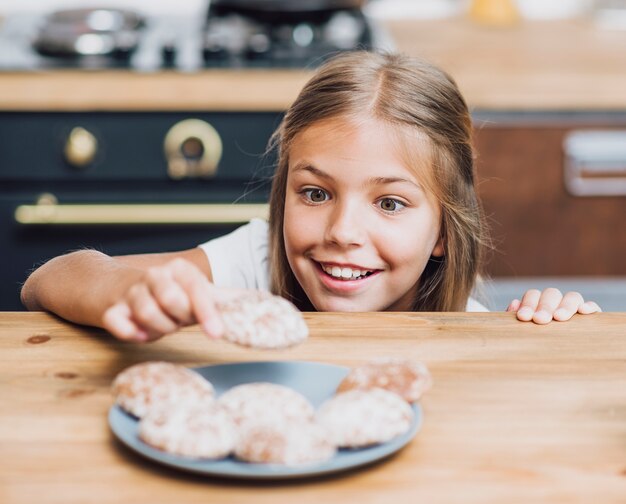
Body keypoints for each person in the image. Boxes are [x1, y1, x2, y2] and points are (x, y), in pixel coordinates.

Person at [20, 51, 600, 342]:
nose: (342, 232)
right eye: (316, 192)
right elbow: (46, 280)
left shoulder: (476, 333)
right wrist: (130, 291)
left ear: (445, 230)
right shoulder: (253, 265)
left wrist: (563, 336)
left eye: (390, 203)